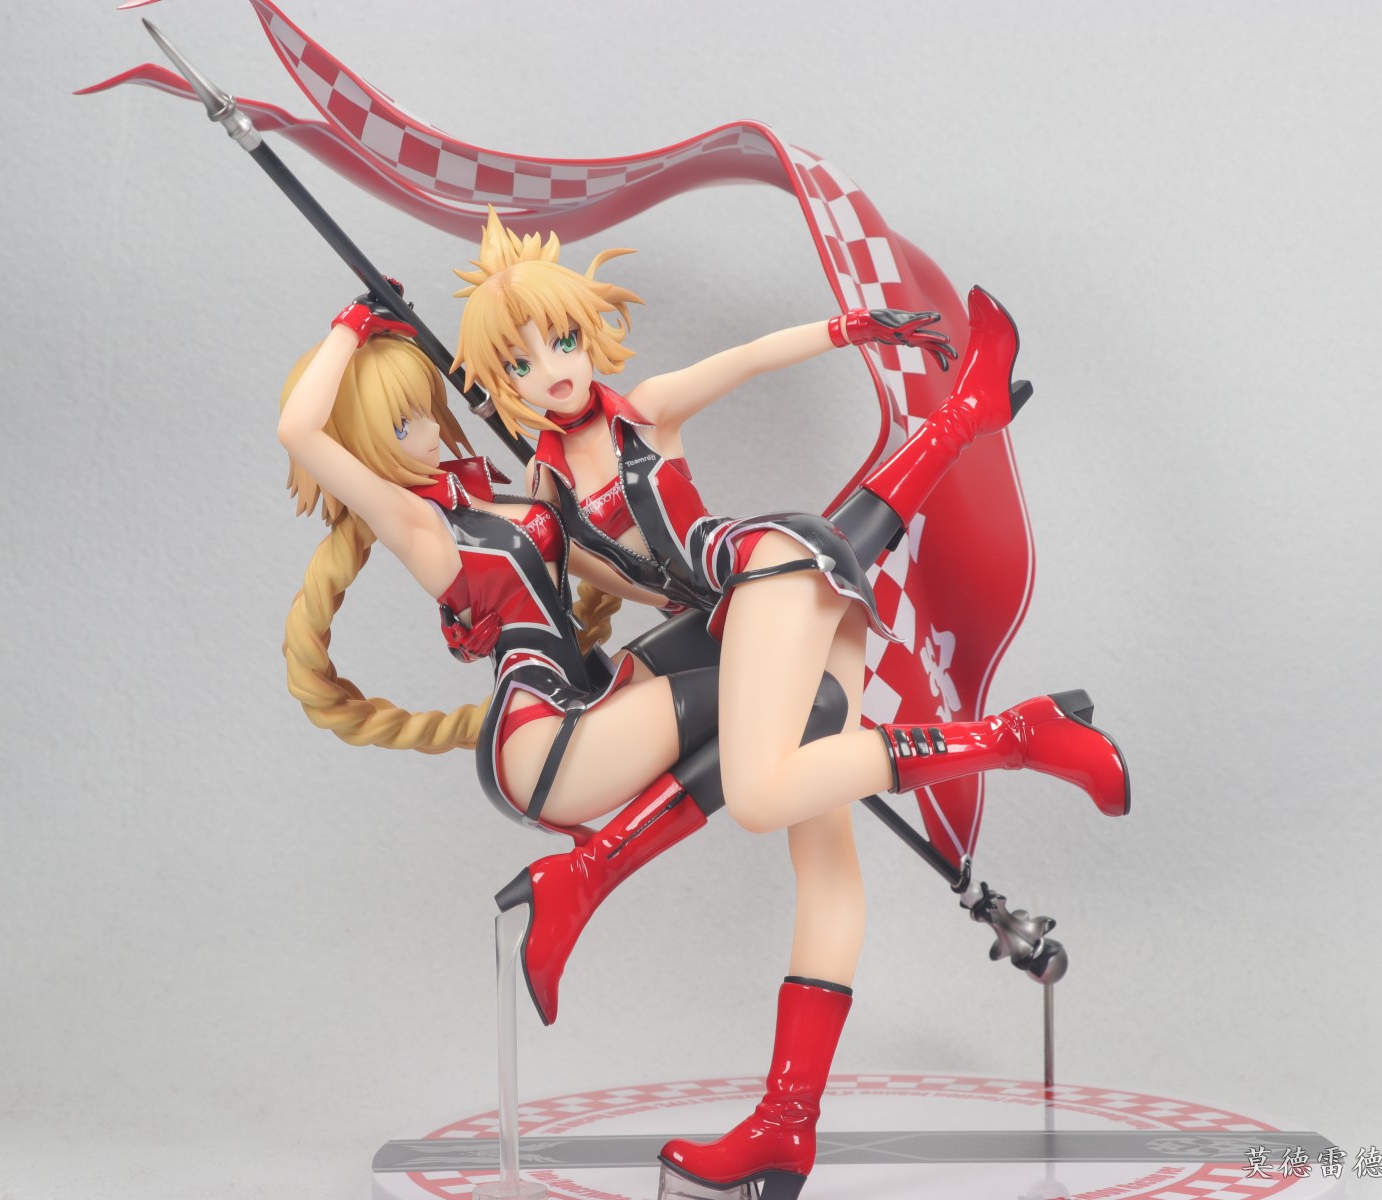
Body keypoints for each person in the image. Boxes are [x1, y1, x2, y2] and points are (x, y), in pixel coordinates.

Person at [451, 211, 1129, 1200]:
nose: (551, 369)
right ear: (499, 383)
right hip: (734, 621)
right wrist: (485, 571)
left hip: (766, 567)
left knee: (763, 790)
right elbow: (564, 579)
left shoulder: (645, 412)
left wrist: (851, 330)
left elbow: (748, 359)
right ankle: (785, 1124)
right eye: (520, 363)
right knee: (823, 856)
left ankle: (1019, 735)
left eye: (561, 340)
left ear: (589, 333)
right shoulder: (545, 488)